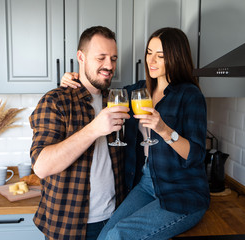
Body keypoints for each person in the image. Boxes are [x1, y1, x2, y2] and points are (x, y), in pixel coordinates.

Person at [61, 27, 210, 239]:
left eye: (160, 55)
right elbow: (105, 91)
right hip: (147, 183)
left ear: (176, 57)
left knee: (118, 235)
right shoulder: (139, 91)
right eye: (149, 52)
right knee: (104, 235)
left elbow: (196, 154)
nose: (152, 60)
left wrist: (164, 130)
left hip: (182, 191)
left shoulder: (190, 95)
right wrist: (73, 78)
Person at [29, 26, 130, 240]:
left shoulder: (116, 98)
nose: (109, 66)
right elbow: (41, 166)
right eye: (101, 57)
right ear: (81, 57)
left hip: (116, 220)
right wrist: (94, 129)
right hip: (68, 225)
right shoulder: (55, 101)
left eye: (113, 58)